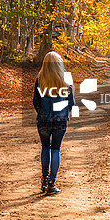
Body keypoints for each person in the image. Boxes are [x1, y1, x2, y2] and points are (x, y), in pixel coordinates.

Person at [33, 51, 75, 195]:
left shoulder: (40, 79)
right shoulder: (66, 79)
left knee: (45, 147)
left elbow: (35, 102)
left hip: (43, 119)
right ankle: (52, 182)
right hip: (60, 120)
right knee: (56, 149)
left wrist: (43, 112)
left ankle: (44, 180)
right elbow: (71, 102)